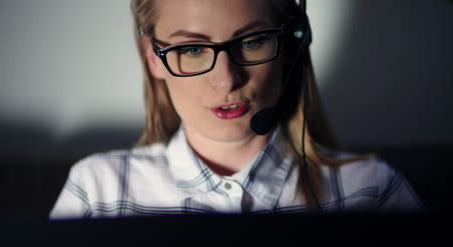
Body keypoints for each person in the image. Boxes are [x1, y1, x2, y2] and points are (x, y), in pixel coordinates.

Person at [50, 0, 425, 219]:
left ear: (292, 44)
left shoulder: (372, 191)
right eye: (192, 49)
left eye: (252, 41)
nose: (227, 80)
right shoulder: (97, 191)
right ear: (153, 58)